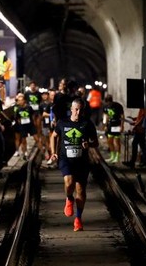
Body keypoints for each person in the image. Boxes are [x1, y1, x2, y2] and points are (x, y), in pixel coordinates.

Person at [52, 97, 99, 231]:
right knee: (69, 182)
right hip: (66, 159)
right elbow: (54, 136)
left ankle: (78, 219)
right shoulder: (62, 123)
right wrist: (54, 152)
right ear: (71, 109)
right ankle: (68, 198)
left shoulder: (87, 123)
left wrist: (88, 144)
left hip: (82, 161)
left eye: (81, 110)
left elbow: (96, 142)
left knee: (81, 190)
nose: (78, 113)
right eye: (76, 110)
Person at [102, 94, 125, 163]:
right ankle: (112, 156)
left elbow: (122, 116)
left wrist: (122, 126)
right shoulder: (106, 106)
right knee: (110, 141)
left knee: (116, 142)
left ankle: (117, 157)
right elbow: (106, 116)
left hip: (116, 125)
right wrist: (105, 125)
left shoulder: (117, 106)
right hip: (111, 125)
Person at [12, 92, 36, 158]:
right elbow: (14, 115)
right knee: (17, 138)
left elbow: (32, 115)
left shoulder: (26, 106)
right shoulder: (15, 105)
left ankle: (24, 151)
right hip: (17, 124)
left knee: (23, 138)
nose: (19, 98)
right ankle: (17, 151)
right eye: (18, 96)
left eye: (21, 97)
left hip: (23, 124)